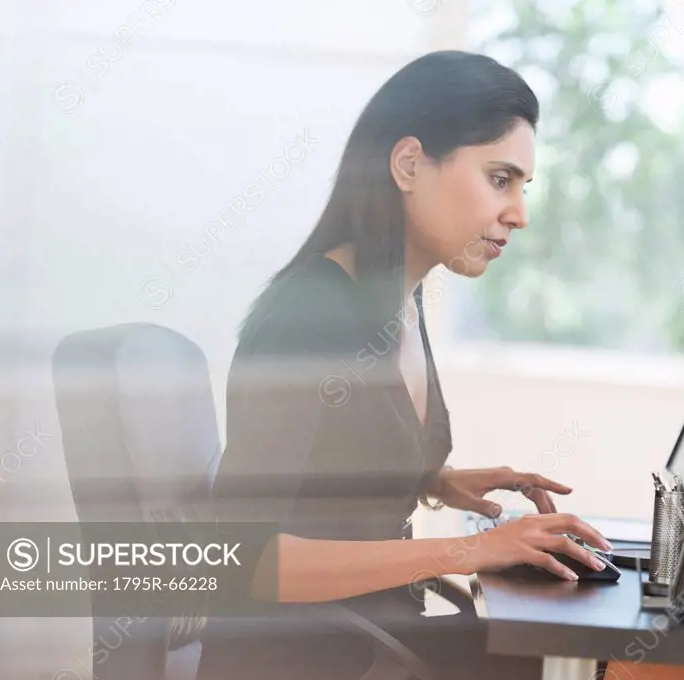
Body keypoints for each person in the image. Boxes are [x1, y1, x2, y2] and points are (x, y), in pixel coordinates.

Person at [195, 50, 618, 680]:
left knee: (614, 651)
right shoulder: (309, 315)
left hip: (377, 635)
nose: (519, 214)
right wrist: (472, 550)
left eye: (523, 188)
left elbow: (330, 466)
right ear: (410, 163)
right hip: (307, 660)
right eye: (500, 179)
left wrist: (439, 479)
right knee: (614, 660)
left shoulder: (398, 298)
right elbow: (243, 559)